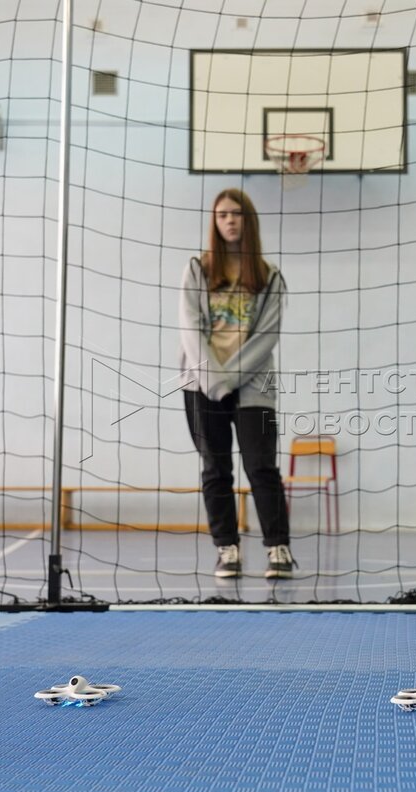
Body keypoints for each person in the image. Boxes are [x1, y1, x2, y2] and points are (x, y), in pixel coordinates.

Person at [180, 188, 294, 580]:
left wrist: (230, 379)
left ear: (249, 220)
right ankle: (227, 549)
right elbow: (190, 328)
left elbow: (267, 336)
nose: (230, 220)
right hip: (201, 384)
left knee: (262, 467)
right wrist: (213, 381)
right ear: (214, 222)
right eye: (222, 215)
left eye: (237, 214)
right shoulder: (197, 269)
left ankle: (278, 547)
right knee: (216, 469)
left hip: (253, 386)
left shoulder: (269, 276)